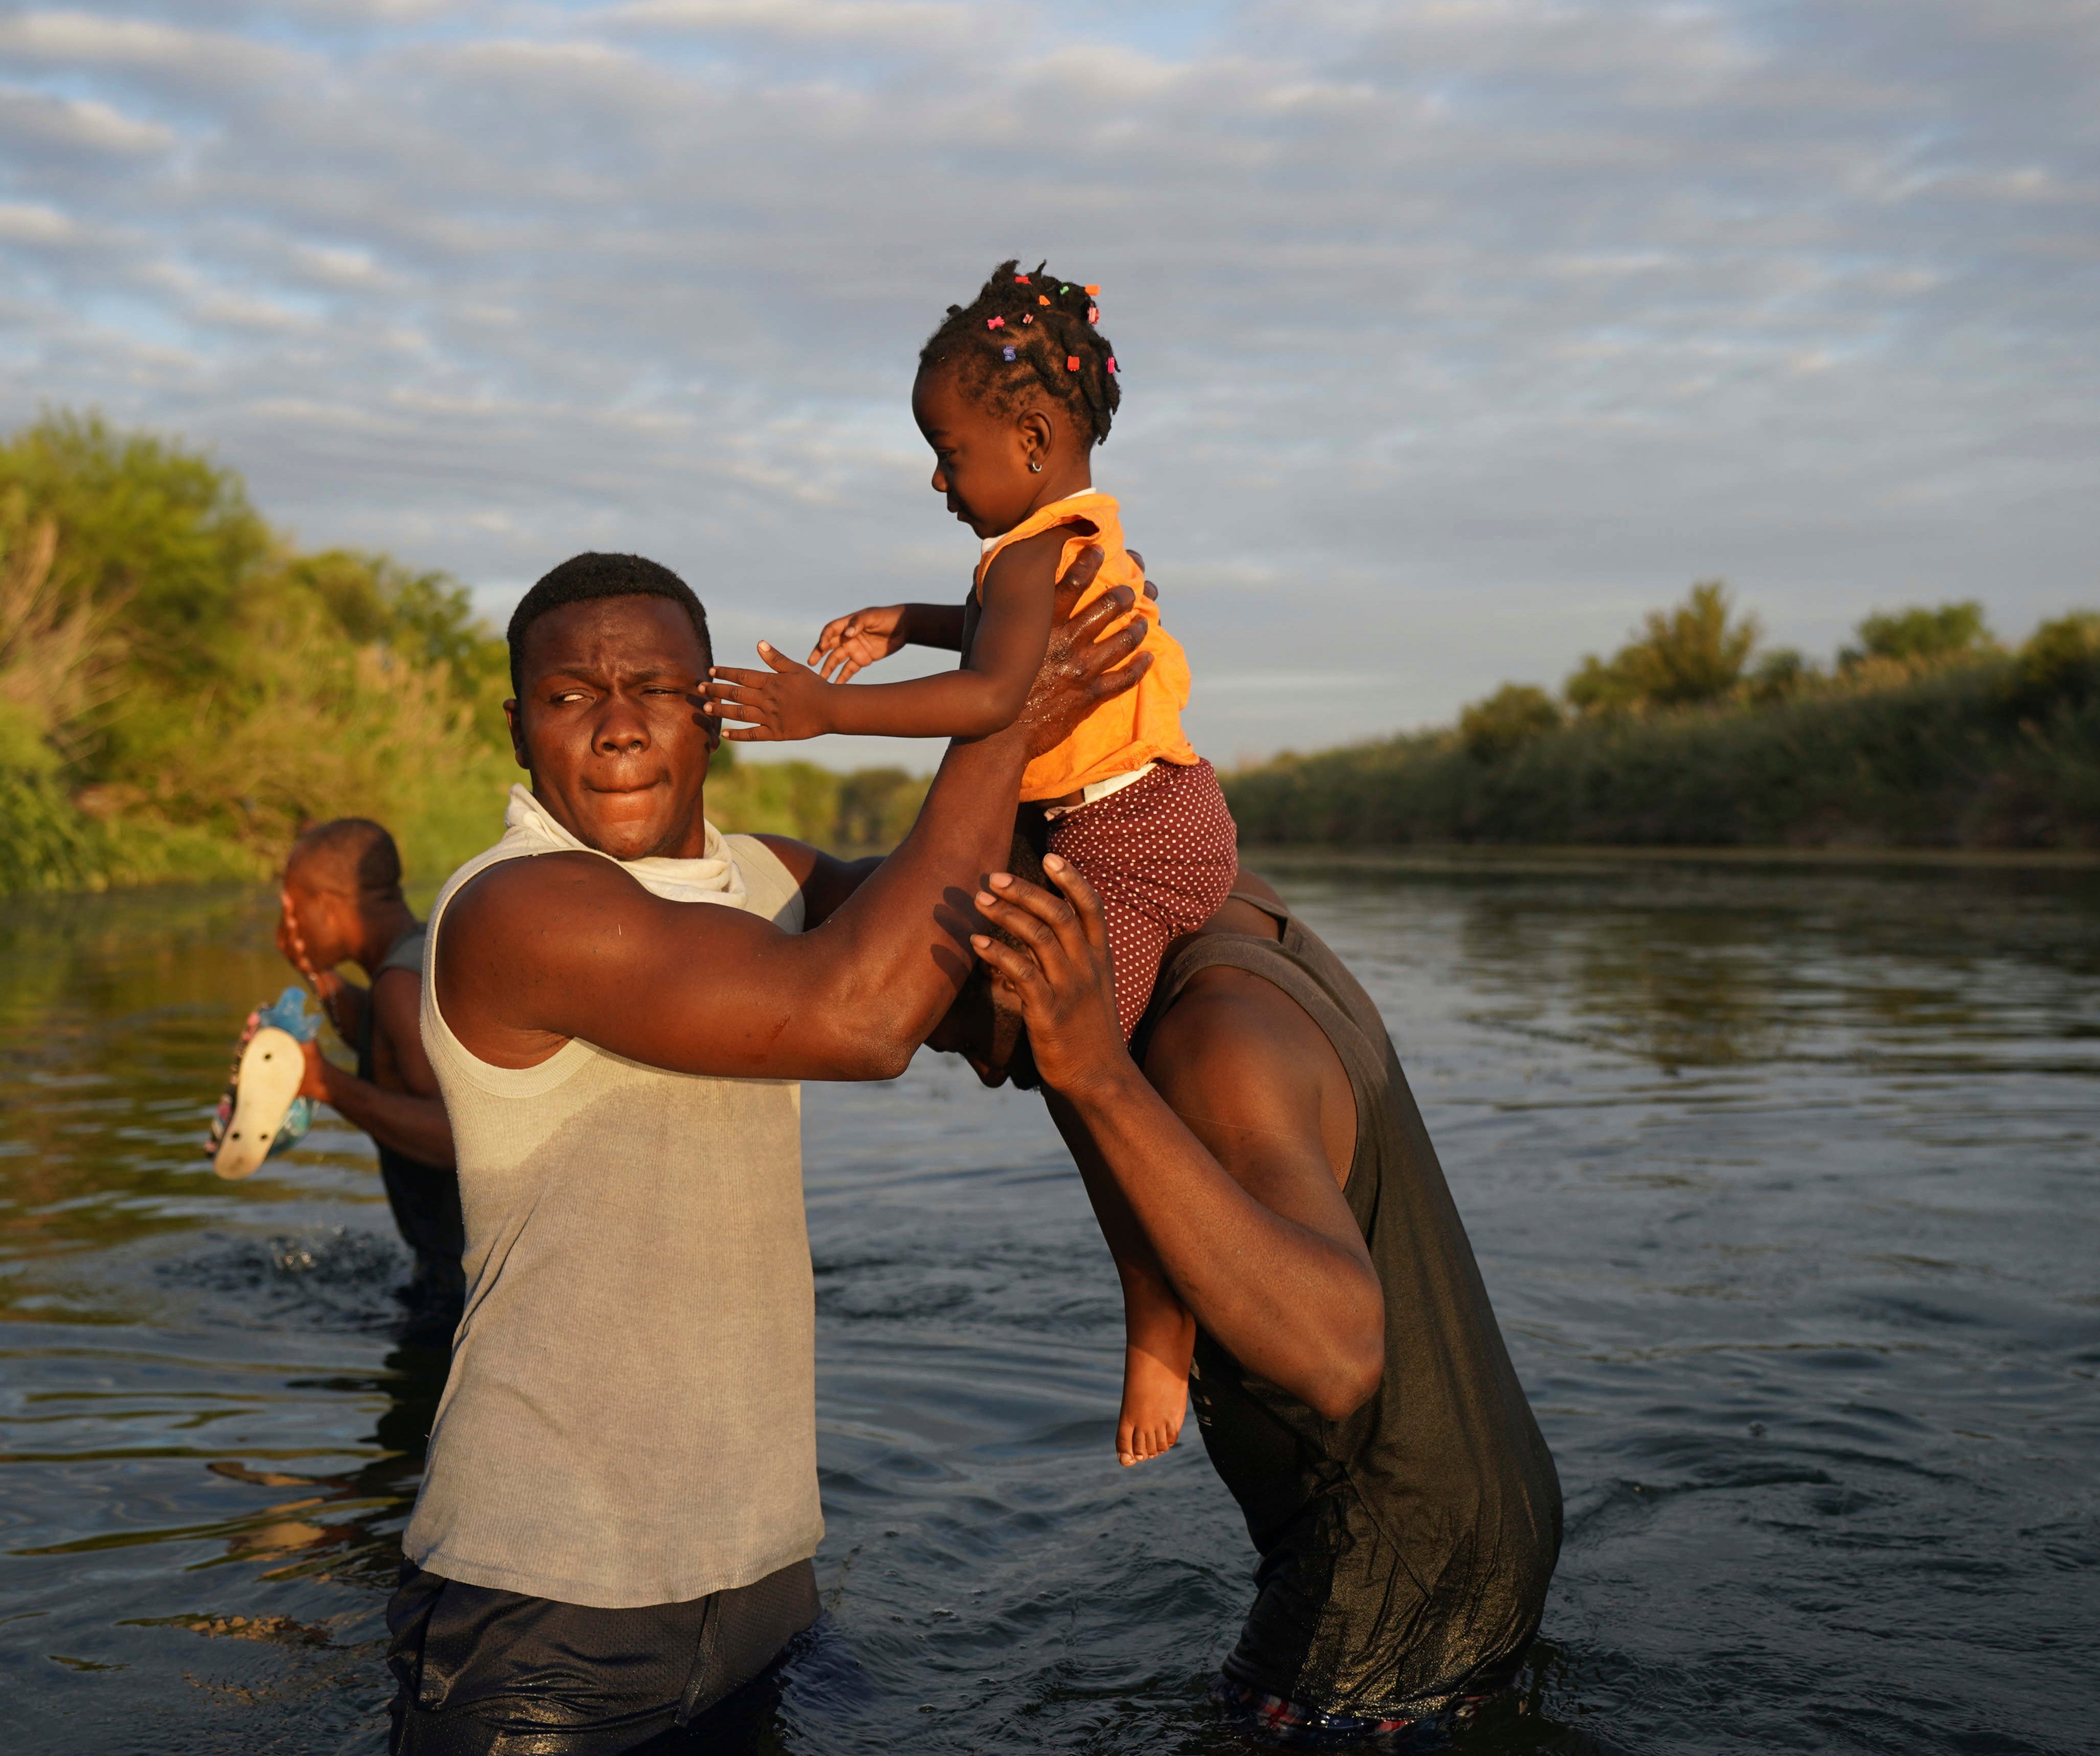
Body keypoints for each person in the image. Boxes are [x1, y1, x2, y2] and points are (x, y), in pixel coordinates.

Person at [387, 547, 1153, 1755]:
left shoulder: (770, 877)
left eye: (653, 687)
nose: (617, 727)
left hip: (760, 1584)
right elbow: (857, 1017)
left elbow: (964, 988)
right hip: (544, 1615)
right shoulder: (514, 906)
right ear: (516, 728)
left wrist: (1118, 791)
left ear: (715, 705)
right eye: (568, 696)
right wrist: (1001, 720)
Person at [707, 258, 1234, 1470]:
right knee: (1036, 1032)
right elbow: (1004, 631)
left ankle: (1158, 1306)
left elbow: (1001, 687)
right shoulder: (1067, 539)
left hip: (1128, 835)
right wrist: (908, 615)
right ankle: (1155, 1289)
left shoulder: (1024, 560)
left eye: (947, 451)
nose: (936, 478)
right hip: (1149, 815)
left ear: (1034, 435)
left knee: (1075, 1060)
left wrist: (822, 712)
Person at [953, 857, 1564, 1747]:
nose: (972, 1065)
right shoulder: (1236, 913)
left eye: (957, 1028)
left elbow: (1339, 1354)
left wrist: (1093, 1070)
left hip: (1385, 1584)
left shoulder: (1214, 1043)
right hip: (1476, 1526)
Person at [275, 818, 462, 1307]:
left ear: (327, 906)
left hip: (463, 1284)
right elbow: (390, 1051)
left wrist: (324, 1084)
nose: (287, 921)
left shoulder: (400, 986)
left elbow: (456, 1137)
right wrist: (317, 972)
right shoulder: (416, 954)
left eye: (293, 906)